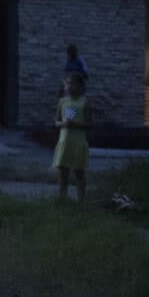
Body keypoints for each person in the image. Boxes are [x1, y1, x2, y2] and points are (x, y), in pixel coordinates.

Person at [53, 74, 92, 202]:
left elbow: (90, 124)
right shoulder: (62, 102)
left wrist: (75, 124)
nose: (69, 87)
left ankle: (81, 200)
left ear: (80, 86)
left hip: (78, 142)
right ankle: (61, 199)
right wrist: (64, 124)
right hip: (65, 141)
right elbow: (56, 122)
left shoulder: (84, 102)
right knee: (62, 172)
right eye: (67, 84)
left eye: (73, 84)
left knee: (79, 172)